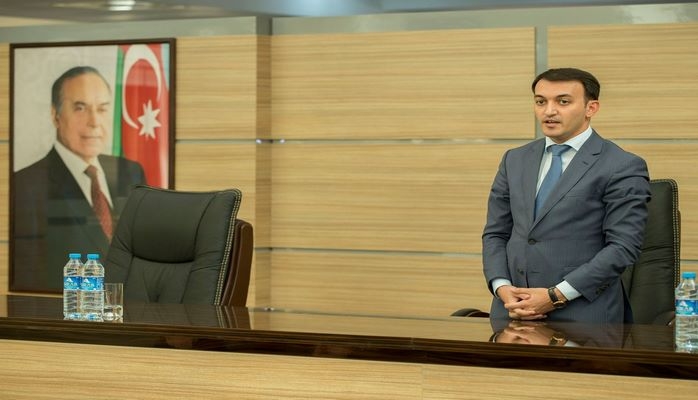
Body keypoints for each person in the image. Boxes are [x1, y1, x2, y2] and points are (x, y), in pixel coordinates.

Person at [482, 67, 651, 324]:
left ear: (591, 108)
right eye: (541, 102)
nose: (549, 111)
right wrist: (502, 287)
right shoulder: (514, 160)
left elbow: (623, 247)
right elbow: (496, 233)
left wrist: (555, 296)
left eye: (563, 102)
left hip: (584, 317)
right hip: (513, 311)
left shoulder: (622, 165)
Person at [12, 66, 145, 293]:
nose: (94, 121)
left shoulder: (130, 172)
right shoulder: (26, 185)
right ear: (55, 115)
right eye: (80, 108)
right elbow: (28, 278)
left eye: (102, 109)